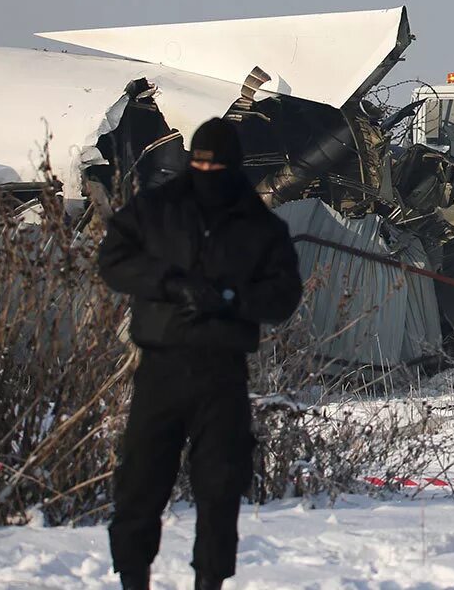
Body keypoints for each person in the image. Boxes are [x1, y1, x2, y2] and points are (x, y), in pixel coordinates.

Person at [98, 118, 303, 590]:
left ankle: (210, 580)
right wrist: (169, 284)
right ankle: (133, 576)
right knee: (141, 481)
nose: (206, 170)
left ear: (233, 166)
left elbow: (283, 296)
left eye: (215, 163)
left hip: (222, 372)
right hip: (161, 365)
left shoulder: (259, 226)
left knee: (220, 485)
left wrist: (232, 299)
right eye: (199, 161)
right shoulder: (156, 209)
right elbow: (114, 260)